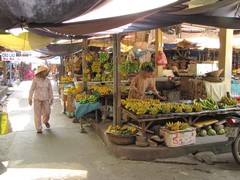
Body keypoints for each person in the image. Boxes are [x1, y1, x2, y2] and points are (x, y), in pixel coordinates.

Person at [28, 66, 54, 133]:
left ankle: (45, 121)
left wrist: (51, 98)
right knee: (37, 114)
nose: (46, 73)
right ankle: (39, 128)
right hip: (37, 99)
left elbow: (50, 90)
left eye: (46, 72)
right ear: (41, 73)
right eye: (45, 72)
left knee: (48, 112)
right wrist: (30, 98)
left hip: (46, 99)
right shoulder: (35, 80)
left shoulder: (48, 80)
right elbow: (32, 89)